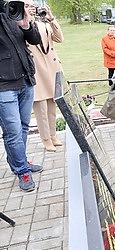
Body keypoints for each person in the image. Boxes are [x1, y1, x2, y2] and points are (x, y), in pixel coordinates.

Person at [0, 1, 42, 191]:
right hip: (4, 85)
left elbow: (34, 40)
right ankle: (22, 170)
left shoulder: (12, 12)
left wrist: (25, 24)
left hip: (25, 79)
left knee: (23, 127)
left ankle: (20, 162)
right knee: (13, 132)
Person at [24, 0, 64, 152]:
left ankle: (53, 135)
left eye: (31, 6)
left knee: (52, 103)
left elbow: (59, 38)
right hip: (36, 68)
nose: (30, 9)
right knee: (40, 105)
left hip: (51, 66)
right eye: (26, 6)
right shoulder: (21, 25)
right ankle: (45, 138)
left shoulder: (43, 23)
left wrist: (51, 19)